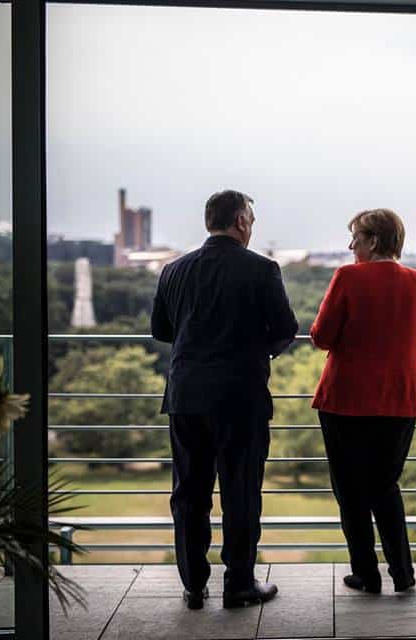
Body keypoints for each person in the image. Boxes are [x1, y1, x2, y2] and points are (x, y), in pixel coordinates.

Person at [150, 190, 298, 610]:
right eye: (251, 219)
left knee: (189, 493)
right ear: (241, 221)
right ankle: (239, 584)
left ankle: (193, 584)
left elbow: (161, 330)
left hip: (186, 395)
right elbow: (285, 328)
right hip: (240, 396)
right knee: (241, 491)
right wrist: (259, 351)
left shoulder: (173, 270)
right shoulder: (262, 269)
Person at [310, 208, 416, 594]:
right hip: (399, 399)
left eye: (356, 238)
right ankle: (403, 573)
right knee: (385, 486)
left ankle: (366, 575)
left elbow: (321, 336)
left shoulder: (347, 277)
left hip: (345, 399)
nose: (351, 246)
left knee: (350, 491)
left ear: (373, 240)